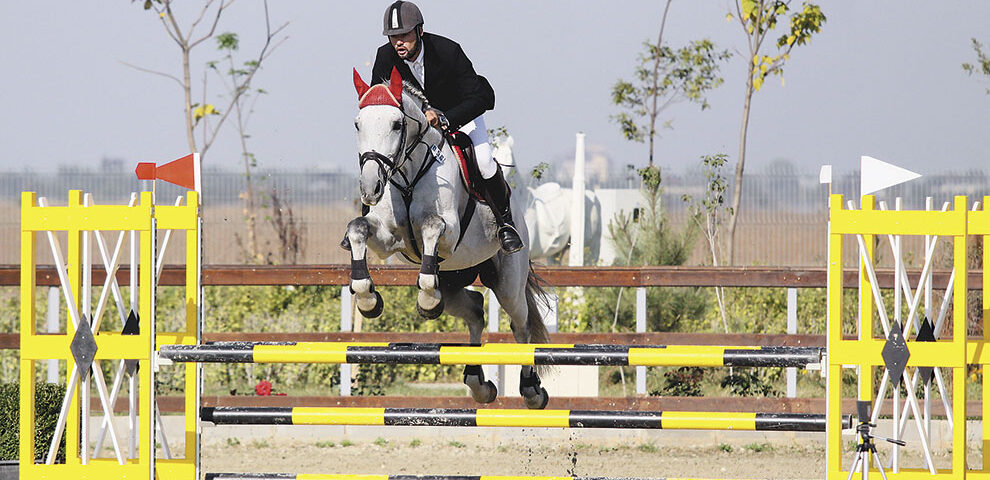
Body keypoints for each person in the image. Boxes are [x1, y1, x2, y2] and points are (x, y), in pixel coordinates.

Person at [371, 0, 524, 254]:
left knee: (484, 161)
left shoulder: (448, 51)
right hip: (420, 130)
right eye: (393, 37)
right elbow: (381, 104)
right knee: (381, 156)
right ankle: (370, 213)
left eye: (404, 35)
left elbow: (481, 98)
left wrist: (445, 119)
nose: (398, 42)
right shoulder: (384, 57)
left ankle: (505, 224)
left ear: (420, 31)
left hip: (460, 117)